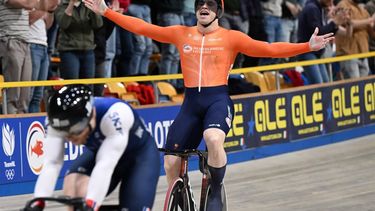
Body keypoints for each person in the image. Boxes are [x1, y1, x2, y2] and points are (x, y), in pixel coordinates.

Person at [83, 0, 334, 210]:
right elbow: (143, 27)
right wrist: (107, 12)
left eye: (210, 3)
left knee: (213, 139)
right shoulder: (181, 33)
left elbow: (268, 49)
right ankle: (181, 198)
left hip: (217, 101)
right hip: (191, 103)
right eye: (200, 3)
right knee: (170, 161)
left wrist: (306, 46)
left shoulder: (231, 37)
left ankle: (215, 188)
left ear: (219, 10)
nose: (204, 6)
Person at [29, 84, 160, 210]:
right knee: (73, 189)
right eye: (65, 132)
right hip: (102, 152)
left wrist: (91, 204)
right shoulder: (56, 121)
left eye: (76, 130)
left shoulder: (115, 115)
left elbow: (105, 165)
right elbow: (52, 163)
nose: (71, 137)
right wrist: (38, 202)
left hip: (139, 157)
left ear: (91, 116)